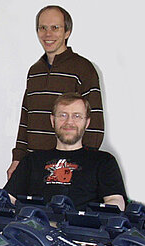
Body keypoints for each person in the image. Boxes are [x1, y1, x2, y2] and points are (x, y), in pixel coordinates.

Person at [7, 5, 104, 179]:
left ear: (67, 32)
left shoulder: (84, 69)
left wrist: (83, 164)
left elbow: (94, 123)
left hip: (67, 169)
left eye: (55, 28)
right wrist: (18, 159)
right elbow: (25, 118)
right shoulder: (34, 71)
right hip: (34, 165)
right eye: (42, 28)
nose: (47, 34)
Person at [4, 93, 126, 211]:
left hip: (80, 229)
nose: (69, 122)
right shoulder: (31, 160)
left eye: (77, 116)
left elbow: (115, 200)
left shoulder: (104, 161)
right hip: (35, 228)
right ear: (52, 120)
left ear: (87, 122)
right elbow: (7, 199)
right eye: (63, 115)